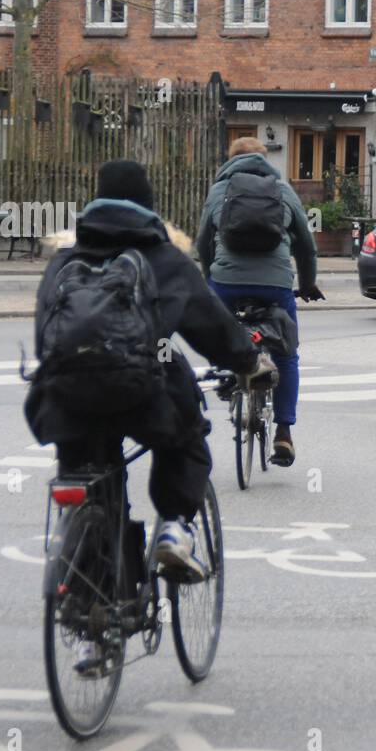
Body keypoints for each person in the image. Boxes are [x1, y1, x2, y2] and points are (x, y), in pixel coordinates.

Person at [26, 160, 274, 580]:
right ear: (147, 204)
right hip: (141, 391)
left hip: (65, 397)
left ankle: (91, 592)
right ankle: (175, 528)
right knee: (185, 437)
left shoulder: (66, 261)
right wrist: (249, 363)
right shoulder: (164, 259)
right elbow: (212, 327)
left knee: (87, 472)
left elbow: (45, 334)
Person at [196, 137, 322, 467]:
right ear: (265, 159)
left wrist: (210, 276)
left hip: (227, 282)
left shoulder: (218, 191)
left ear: (230, 159)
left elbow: (203, 242)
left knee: (217, 333)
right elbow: (306, 246)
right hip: (275, 284)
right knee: (286, 352)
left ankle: (228, 375)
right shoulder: (282, 189)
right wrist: (307, 284)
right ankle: (283, 432)